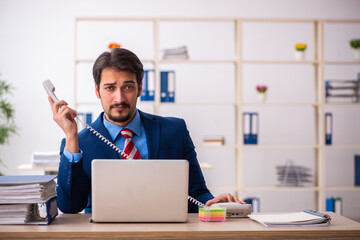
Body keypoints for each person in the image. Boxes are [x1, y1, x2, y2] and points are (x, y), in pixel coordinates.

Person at [49, 48, 242, 214]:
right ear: (97, 91)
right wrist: (71, 136)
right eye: (110, 88)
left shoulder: (175, 130)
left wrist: (212, 204)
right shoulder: (79, 143)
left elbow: (196, 193)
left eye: (128, 87)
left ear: (140, 88)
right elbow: (70, 206)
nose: (119, 98)